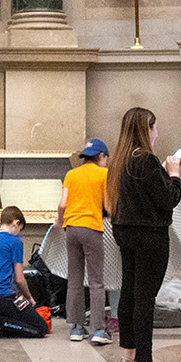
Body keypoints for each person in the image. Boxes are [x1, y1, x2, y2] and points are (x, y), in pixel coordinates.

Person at [107, 107, 181, 362]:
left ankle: (128, 353)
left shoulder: (121, 161)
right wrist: (174, 174)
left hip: (125, 232)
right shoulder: (147, 161)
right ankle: (145, 361)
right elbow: (168, 199)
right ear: (145, 129)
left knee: (128, 293)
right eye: (154, 127)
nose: (157, 132)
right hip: (150, 235)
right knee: (145, 298)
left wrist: (161, 173)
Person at [56, 138, 110, 344]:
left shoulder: (71, 174)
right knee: (96, 281)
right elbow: (108, 206)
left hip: (72, 229)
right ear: (101, 156)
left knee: (75, 279)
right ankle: (98, 330)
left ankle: (76, 328)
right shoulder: (103, 174)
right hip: (92, 228)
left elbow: (62, 204)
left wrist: (61, 224)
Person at [0, 205, 48, 339]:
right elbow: (19, 278)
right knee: (41, 328)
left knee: (17, 315)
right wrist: (30, 299)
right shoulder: (15, 241)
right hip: (4, 296)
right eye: (19, 229)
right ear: (16, 223)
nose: (19, 233)